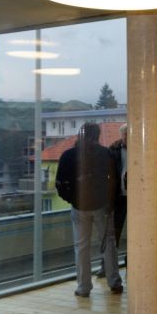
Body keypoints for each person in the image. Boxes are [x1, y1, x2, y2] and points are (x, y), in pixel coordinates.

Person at [55, 122, 122, 297]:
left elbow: (60, 184)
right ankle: (114, 282)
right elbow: (114, 181)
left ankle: (83, 287)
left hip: (79, 207)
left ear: (80, 135)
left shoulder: (68, 155)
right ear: (97, 136)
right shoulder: (106, 154)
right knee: (109, 244)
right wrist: (110, 203)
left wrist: (72, 199)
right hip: (103, 206)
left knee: (81, 247)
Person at [108, 124, 128, 270]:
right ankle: (108, 266)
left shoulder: (141, 150)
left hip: (136, 198)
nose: (127, 138)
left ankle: (132, 262)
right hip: (118, 197)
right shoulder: (113, 150)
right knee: (114, 232)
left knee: (136, 232)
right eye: (125, 135)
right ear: (121, 135)